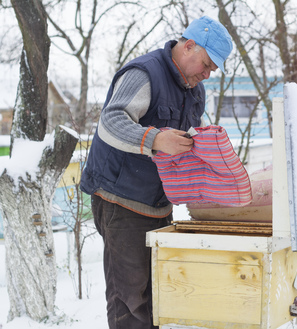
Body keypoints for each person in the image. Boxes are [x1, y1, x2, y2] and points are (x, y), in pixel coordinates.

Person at [80, 16, 233, 329]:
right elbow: (110, 122)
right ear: (189, 45)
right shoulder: (145, 73)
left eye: (211, 71)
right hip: (121, 201)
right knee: (131, 302)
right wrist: (155, 139)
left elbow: (190, 139)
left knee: (158, 297)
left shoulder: (195, 90)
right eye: (205, 65)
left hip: (158, 204)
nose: (206, 74)